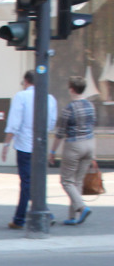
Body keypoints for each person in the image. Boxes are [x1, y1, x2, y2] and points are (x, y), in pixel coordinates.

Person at [2, 71, 57, 230]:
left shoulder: (21, 97)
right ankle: (39, 213)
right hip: (40, 146)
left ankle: (22, 218)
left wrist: (6, 144)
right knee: (36, 181)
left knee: (27, 182)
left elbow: (14, 122)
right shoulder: (50, 98)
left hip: (25, 145)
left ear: (26, 81)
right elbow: (51, 123)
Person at [50, 75, 97, 225]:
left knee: (66, 181)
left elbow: (60, 133)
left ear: (71, 89)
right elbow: (92, 127)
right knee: (77, 181)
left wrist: (52, 152)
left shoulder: (69, 108)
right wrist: (93, 155)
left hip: (74, 145)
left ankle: (81, 207)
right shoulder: (91, 106)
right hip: (89, 144)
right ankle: (72, 217)